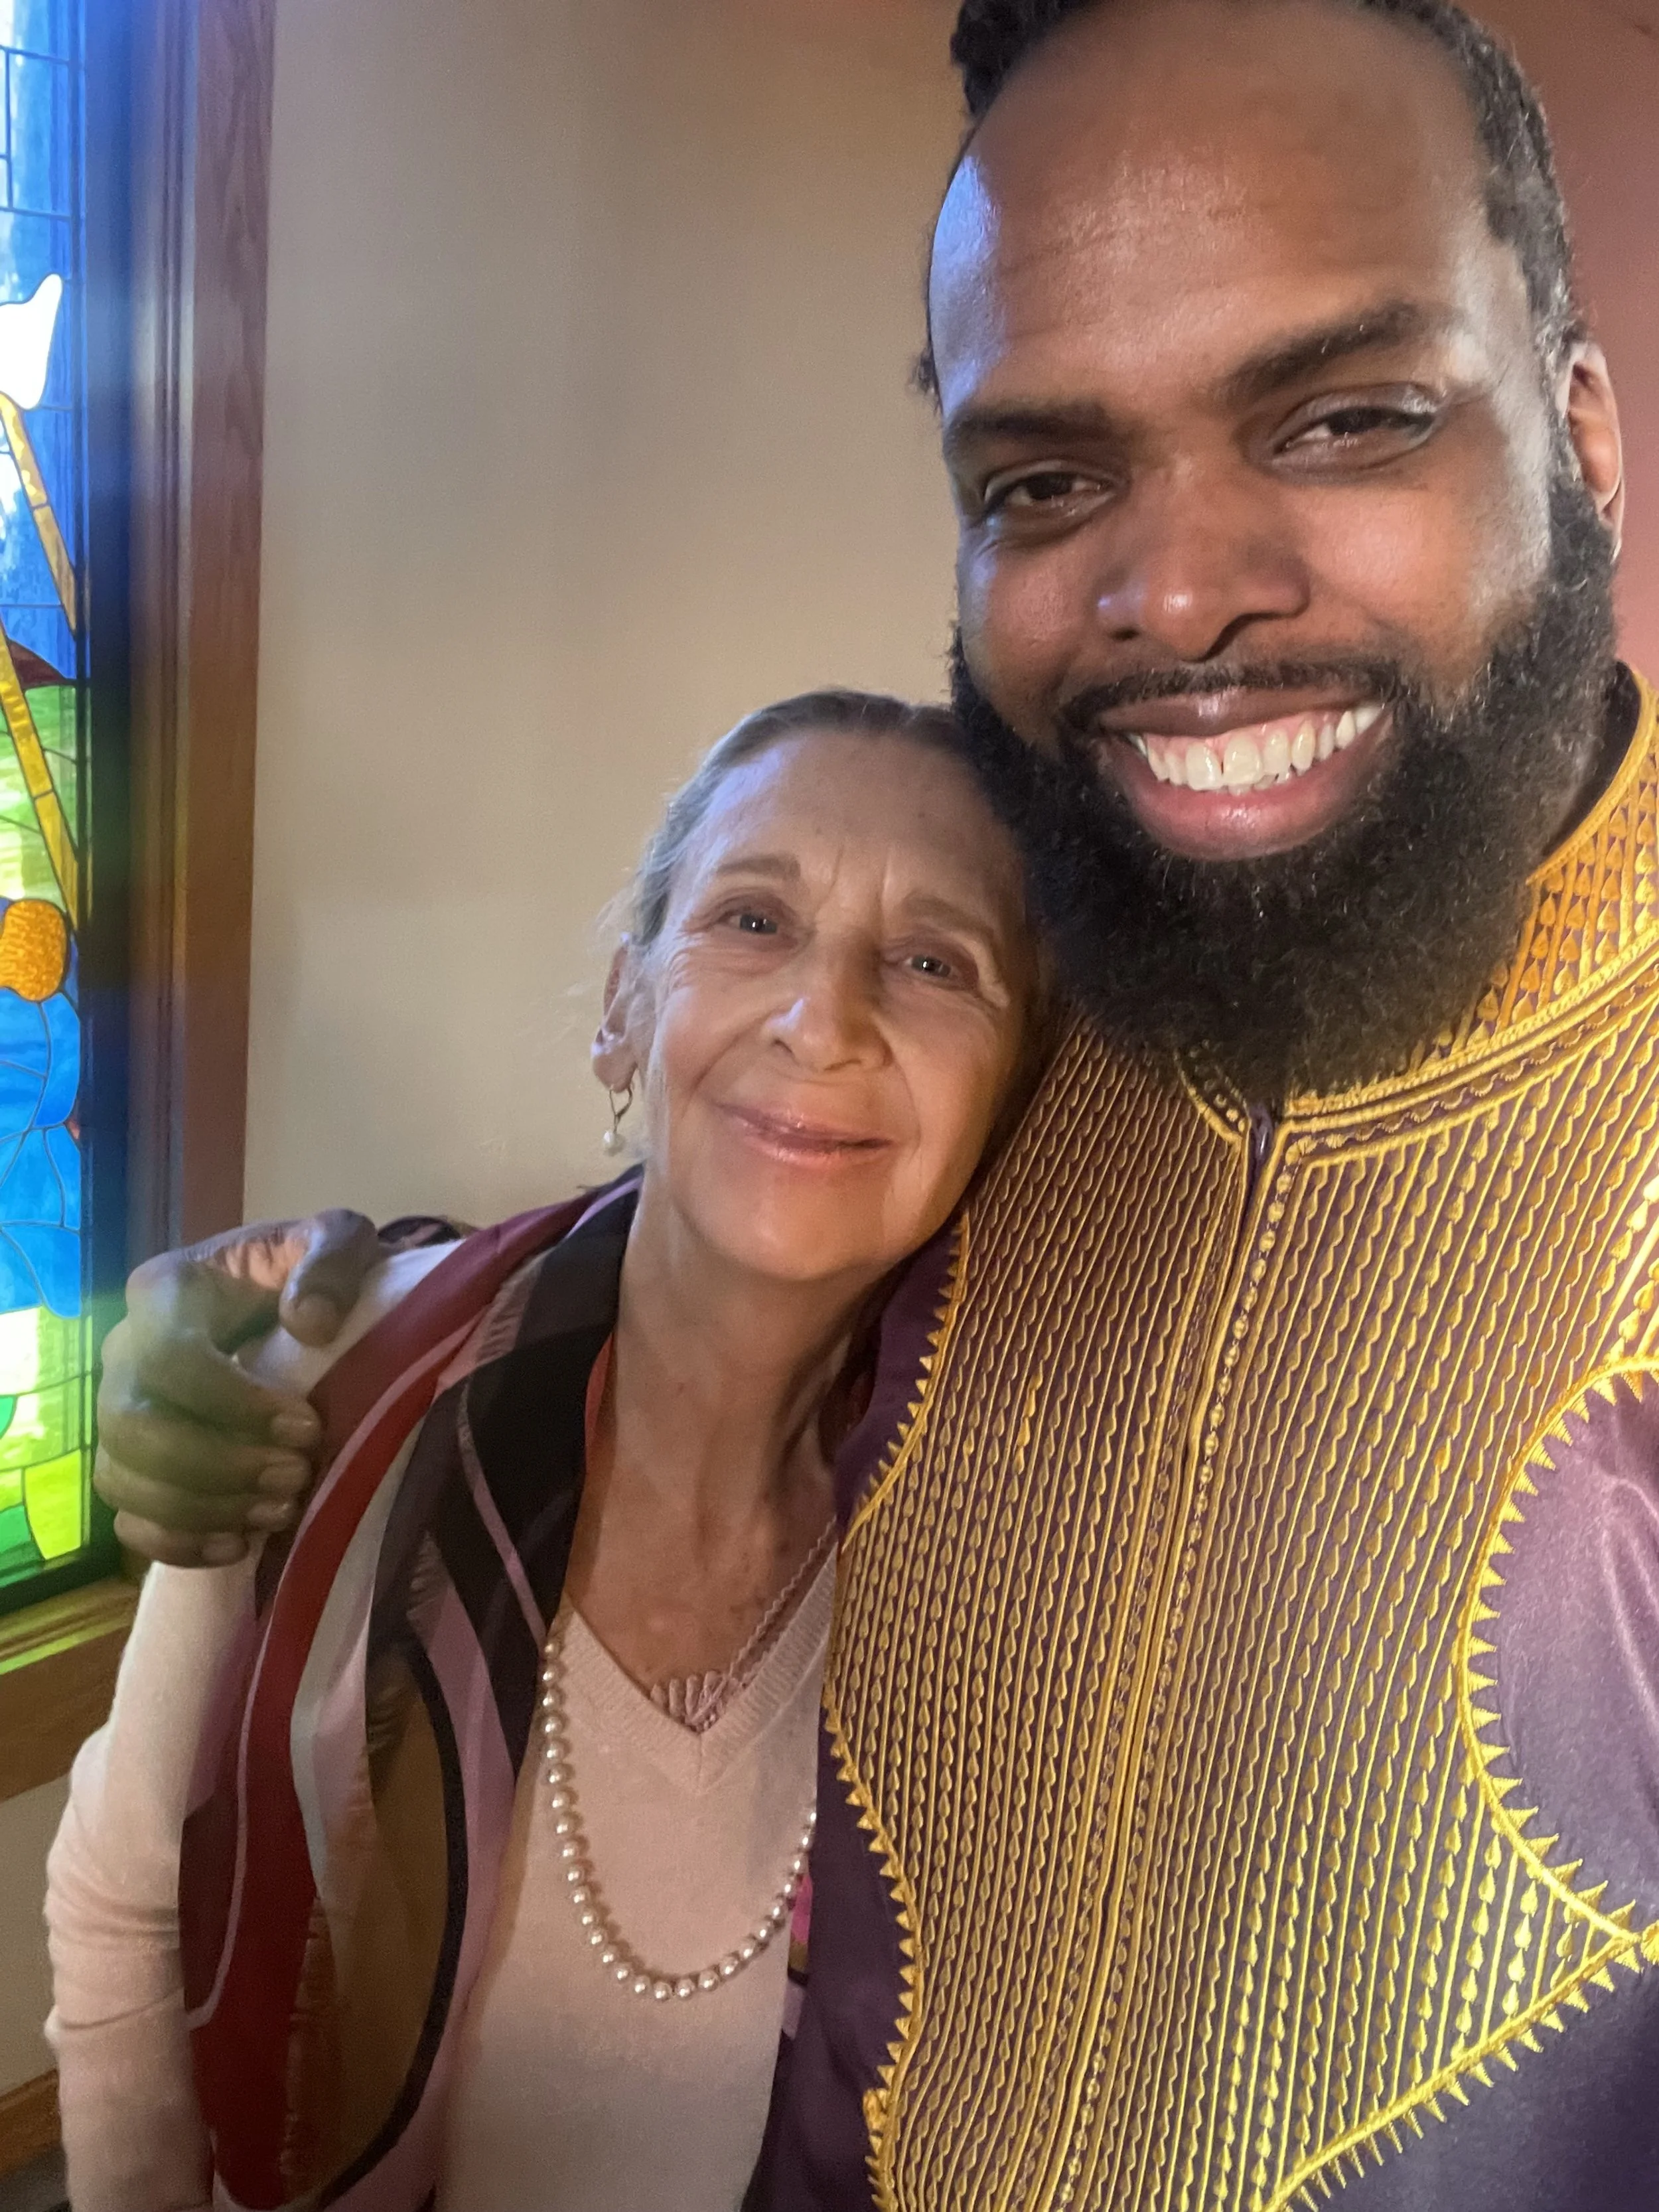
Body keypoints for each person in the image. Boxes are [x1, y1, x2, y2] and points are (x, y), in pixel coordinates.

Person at [86, 1, 1659, 2206]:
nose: (1182, 588)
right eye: (1045, 477)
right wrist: (238, 1303)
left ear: (1580, 437)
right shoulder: (1083, 1026)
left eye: (1348, 414)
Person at [45, 689, 1045, 2212]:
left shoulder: (1003, 1539)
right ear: (622, 1013)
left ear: (1012, 1087)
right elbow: (121, 1905)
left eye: (929, 962)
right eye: (753, 920)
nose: (822, 1019)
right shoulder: (325, 1375)